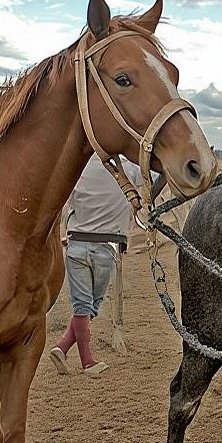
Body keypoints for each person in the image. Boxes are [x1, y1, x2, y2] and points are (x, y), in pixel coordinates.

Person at [48, 156, 145, 376]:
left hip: (76, 244)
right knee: (89, 306)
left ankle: (62, 348)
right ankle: (87, 362)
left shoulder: (77, 167)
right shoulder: (127, 169)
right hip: (106, 244)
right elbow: (158, 176)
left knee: (84, 305)